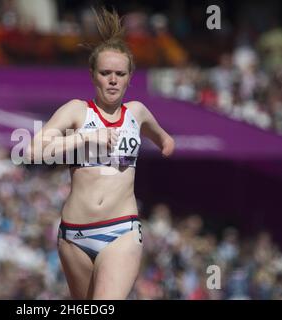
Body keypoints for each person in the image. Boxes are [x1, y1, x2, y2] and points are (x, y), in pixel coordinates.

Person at [26, 7, 175, 299]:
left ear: (130, 77)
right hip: (73, 235)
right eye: (105, 73)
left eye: (120, 74)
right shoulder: (76, 111)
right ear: (93, 75)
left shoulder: (137, 113)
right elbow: (31, 152)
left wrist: (138, 152)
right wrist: (84, 138)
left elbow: (167, 143)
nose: (113, 80)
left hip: (121, 230)